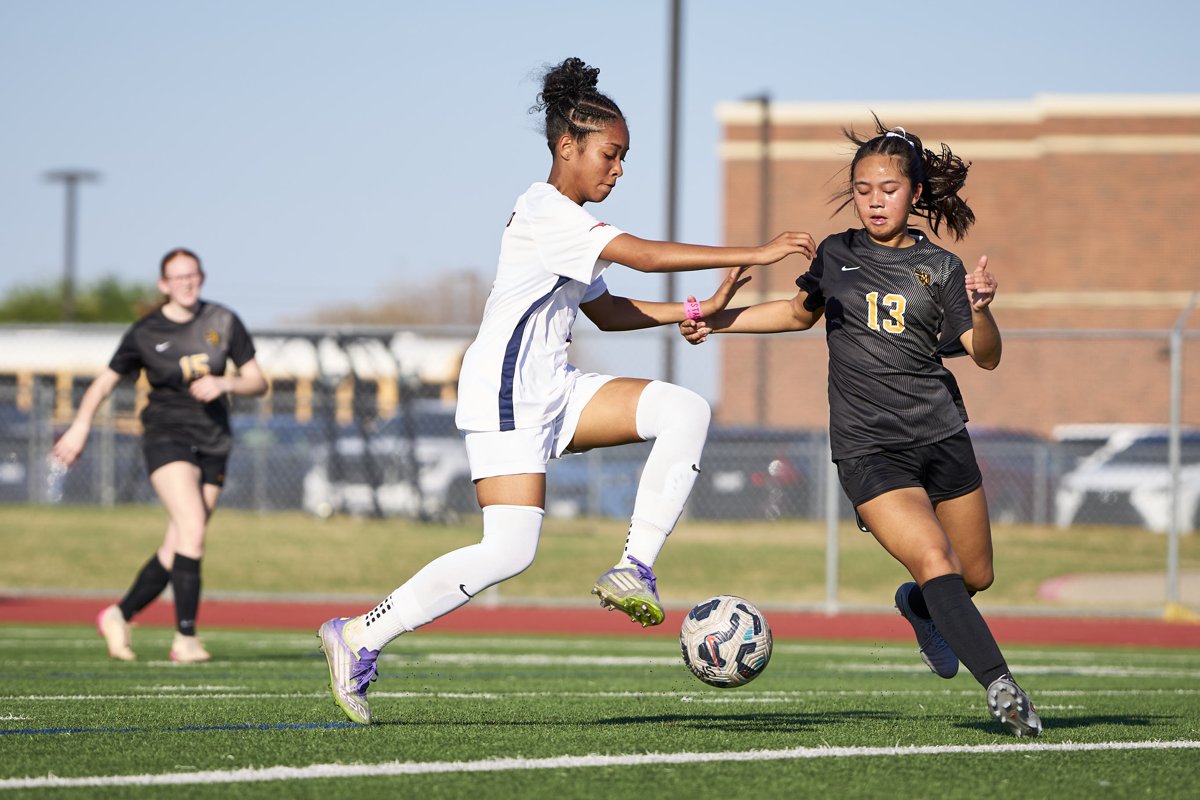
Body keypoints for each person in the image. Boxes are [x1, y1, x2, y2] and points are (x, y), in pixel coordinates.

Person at [317, 56, 815, 725]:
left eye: (625, 158)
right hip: (506, 393)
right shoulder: (545, 210)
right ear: (566, 147)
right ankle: (358, 635)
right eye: (611, 154)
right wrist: (755, 252)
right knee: (508, 549)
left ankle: (635, 568)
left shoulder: (570, 223)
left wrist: (696, 309)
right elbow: (642, 254)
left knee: (683, 409)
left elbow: (608, 313)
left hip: (555, 386)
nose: (618, 169)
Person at [681, 117, 1042, 737]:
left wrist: (983, 312)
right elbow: (795, 314)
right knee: (934, 556)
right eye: (863, 189)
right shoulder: (837, 253)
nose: (874, 200)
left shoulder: (942, 268)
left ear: (916, 193)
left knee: (974, 575)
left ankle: (918, 606)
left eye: (889, 189)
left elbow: (985, 356)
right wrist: (714, 320)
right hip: (869, 448)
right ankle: (1002, 687)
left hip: (942, 436)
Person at [52, 248, 268, 663]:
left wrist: (226, 384)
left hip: (214, 441)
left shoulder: (223, 320)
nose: (187, 282)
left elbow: (257, 382)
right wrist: (79, 427)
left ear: (202, 277)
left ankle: (118, 615)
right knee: (192, 528)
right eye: (178, 276)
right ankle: (185, 638)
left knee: (180, 544)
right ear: (163, 284)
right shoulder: (146, 332)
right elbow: (103, 384)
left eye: (193, 274)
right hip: (166, 437)